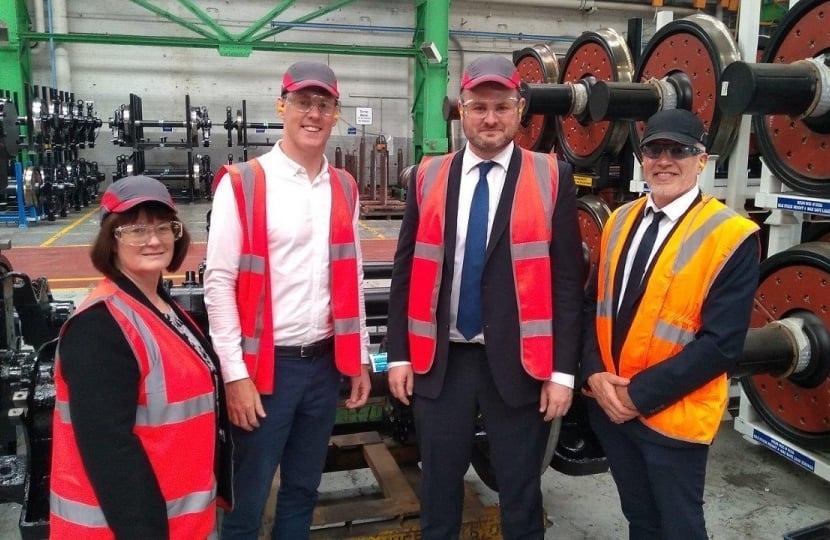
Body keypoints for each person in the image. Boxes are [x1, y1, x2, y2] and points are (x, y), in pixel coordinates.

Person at [387, 55, 584, 539]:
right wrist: (397, 356)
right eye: (478, 107)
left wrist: (562, 373)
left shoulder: (551, 177)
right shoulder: (429, 177)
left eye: (501, 107)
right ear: (462, 111)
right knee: (438, 490)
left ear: (520, 110)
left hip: (521, 364)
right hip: (441, 361)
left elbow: (566, 282)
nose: (490, 118)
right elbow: (406, 271)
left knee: (520, 494)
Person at [204, 60, 372, 539]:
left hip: (323, 367)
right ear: (283, 106)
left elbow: (353, 273)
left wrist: (358, 355)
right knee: (247, 500)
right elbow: (219, 284)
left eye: (324, 104)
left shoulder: (343, 185)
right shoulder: (243, 182)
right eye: (303, 102)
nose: (313, 114)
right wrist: (235, 376)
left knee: (302, 490)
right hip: (264, 373)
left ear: (336, 113)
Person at [581, 108, 760, 539]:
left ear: (702, 160)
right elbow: (591, 306)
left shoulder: (730, 235)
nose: (665, 160)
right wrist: (593, 376)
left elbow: (721, 345)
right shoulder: (618, 220)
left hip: (673, 418)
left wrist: (637, 396)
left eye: (679, 150)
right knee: (641, 521)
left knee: (679, 528)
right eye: (654, 149)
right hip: (611, 410)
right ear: (642, 157)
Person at [49, 175, 233, 539]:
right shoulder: (99, 328)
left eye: (164, 227)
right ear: (111, 240)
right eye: (135, 230)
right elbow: (111, 453)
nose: (153, 240)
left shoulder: (162, 307)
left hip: (181, 521)